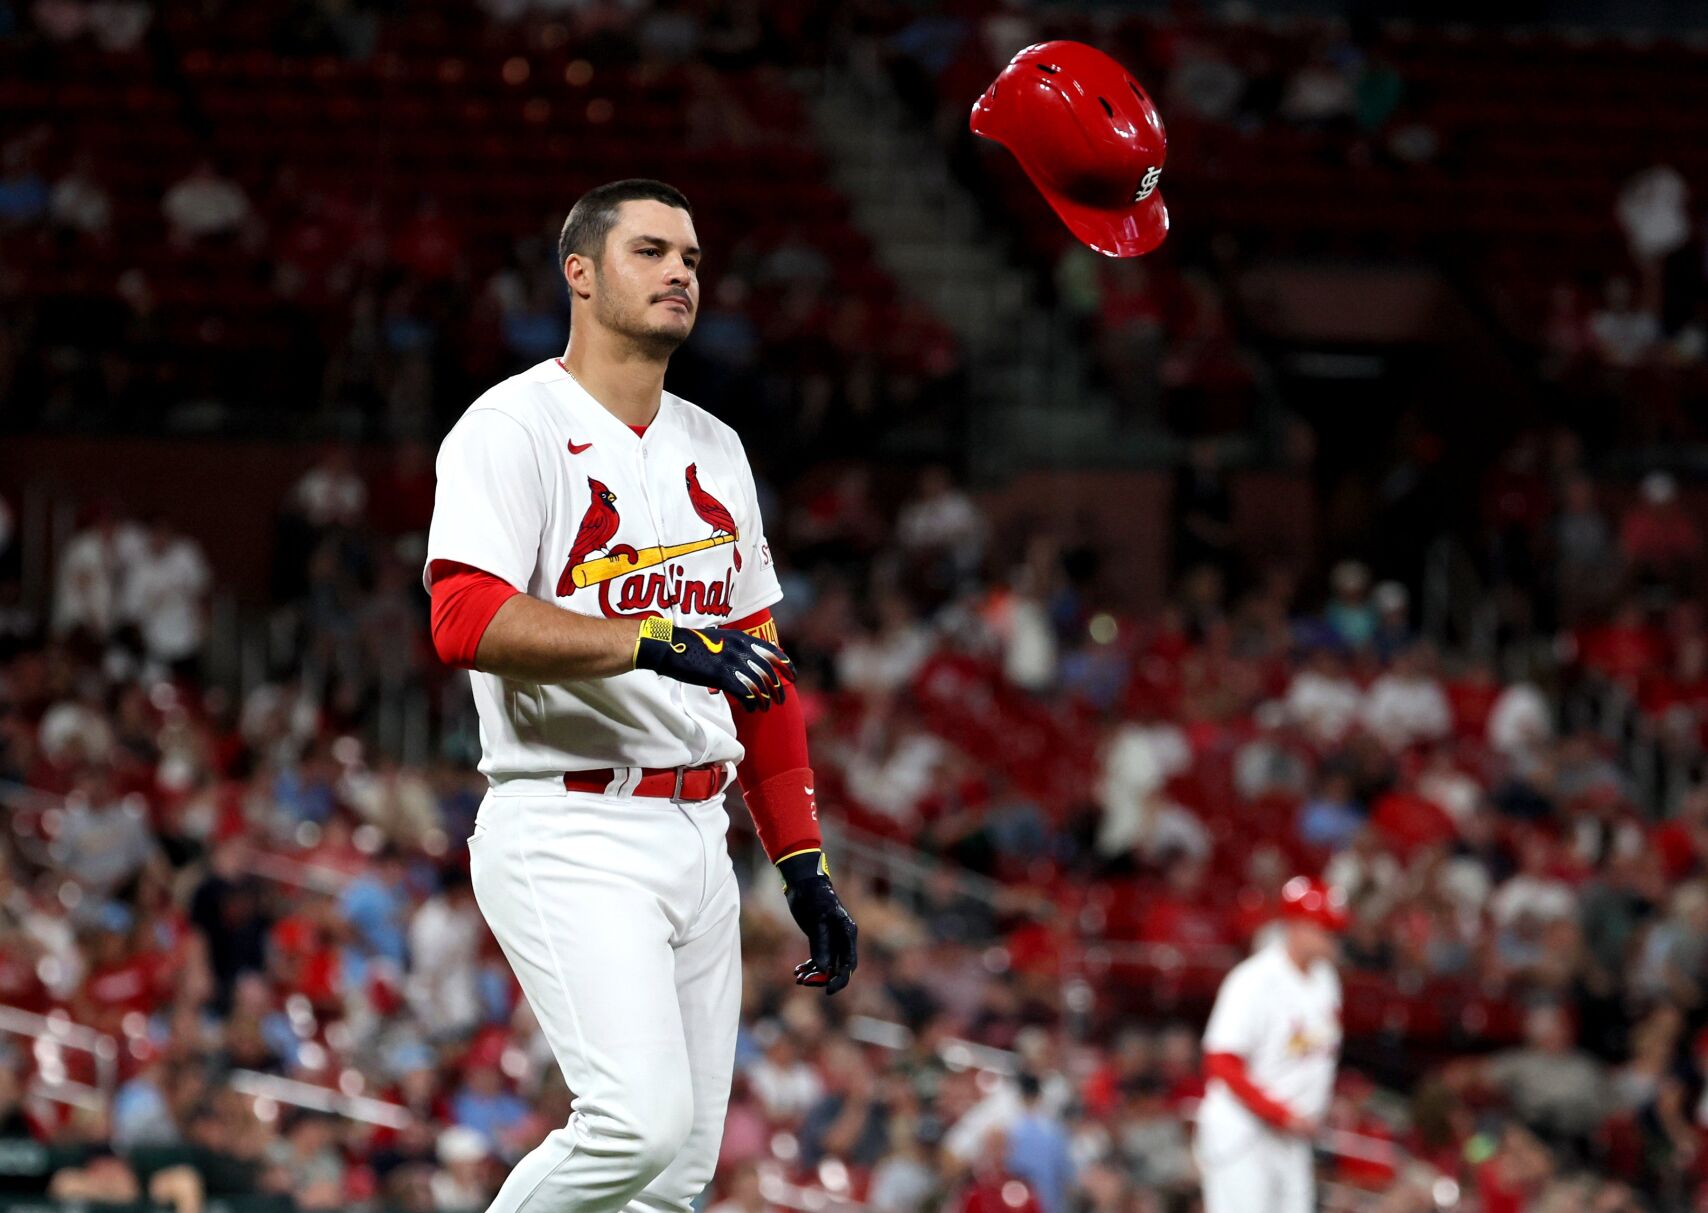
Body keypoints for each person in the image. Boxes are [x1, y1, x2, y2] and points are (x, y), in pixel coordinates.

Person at [422, 179, 857, 1213]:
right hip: (571, 820)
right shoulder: (512, 426)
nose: (679, 274)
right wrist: (653, 642)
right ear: (579, 272)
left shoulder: (715, 446)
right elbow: (463, 620)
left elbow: (759, 673)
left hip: (697, 832)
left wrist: (804, 866)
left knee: (673, 1180)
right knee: (634, 1124)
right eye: (651, 251)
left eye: (692, 260)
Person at [1195, 876, 1346, 1213]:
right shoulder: (1253, 981)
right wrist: (1280, 1114)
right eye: (1325, 929)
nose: (1333, 938)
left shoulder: (1326, 980)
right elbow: (1220, 1062)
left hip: (1292, 1137)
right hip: (1245, 1134)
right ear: (1297, 926)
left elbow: (1315, 1057)